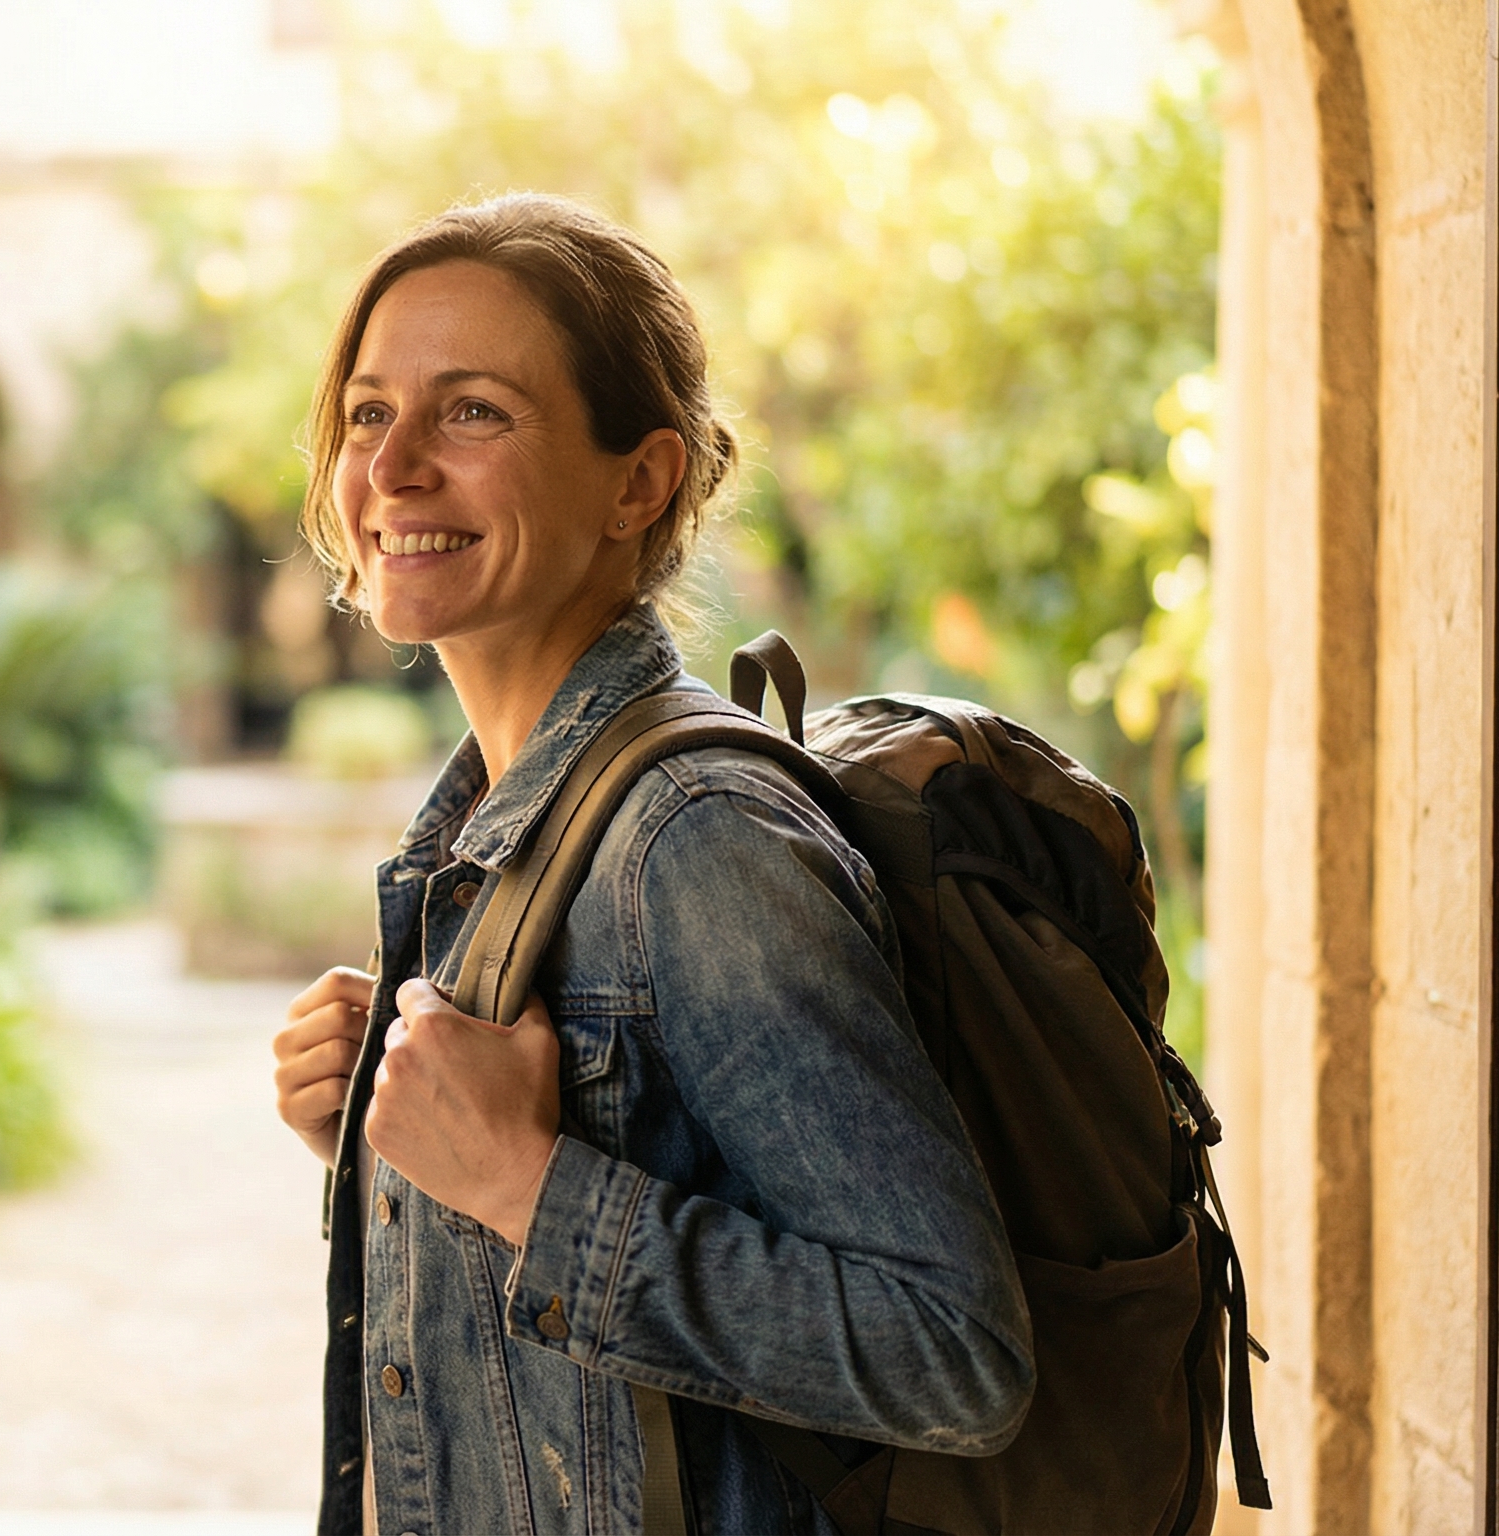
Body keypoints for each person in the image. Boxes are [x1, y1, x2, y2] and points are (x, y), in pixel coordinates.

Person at [268, 194, 1034, 1536]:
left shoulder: (697, 836)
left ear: (641, 481)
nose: (391, 472)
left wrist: (518, 1182)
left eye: (474, 413)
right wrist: (390, 1158)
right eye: (370, 413)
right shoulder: (490, 835)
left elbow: (952, 1350)